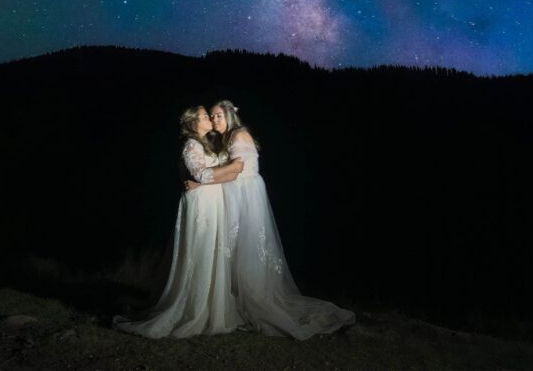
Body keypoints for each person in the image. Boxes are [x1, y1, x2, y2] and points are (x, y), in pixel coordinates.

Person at [186, 100, 355, 339]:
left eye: (218, 115)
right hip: (236, 193)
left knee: (247, 249)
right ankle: (237, 302)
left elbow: (236, 171)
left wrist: (199, 183)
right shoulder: (226, 138)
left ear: (230, 117)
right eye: (212, 116)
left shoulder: (239, 135)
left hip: (244, 196)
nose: (214, 120)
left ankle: (255, 303)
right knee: (235, 251)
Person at [114, 105, 245, 337]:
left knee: (212, 252)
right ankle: (193, 308)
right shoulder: (192, 145)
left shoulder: (207, 143)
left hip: (211, 202)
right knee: (200, 251)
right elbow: (202, 174)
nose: (210, 119)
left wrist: (227, 172)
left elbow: (213, 175)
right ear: (194, 123)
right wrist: (228, 169)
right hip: (201, 205)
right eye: (205, 116)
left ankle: (211, 307)